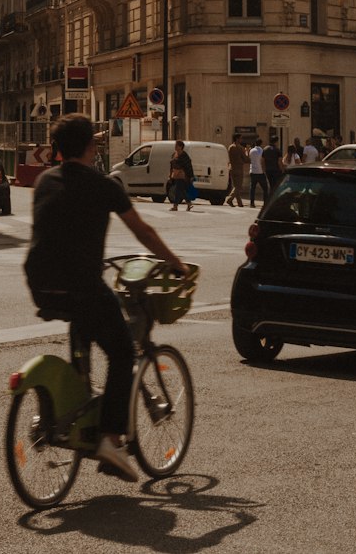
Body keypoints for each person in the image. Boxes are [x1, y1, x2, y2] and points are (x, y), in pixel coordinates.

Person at [25, 113, 188, 483]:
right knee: (121, 352)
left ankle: (76, 406)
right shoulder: (104, 186)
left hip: (40, 283)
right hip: (81, 284)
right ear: (89, 147)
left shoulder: (44, 181)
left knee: (84, 325)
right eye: (95, 142)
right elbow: (142, 231)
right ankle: (111, 440)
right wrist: (174, 262)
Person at [168, 139, 195, 211]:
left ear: (181, 147)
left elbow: (189, 165)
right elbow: (171, 165)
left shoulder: (184, 155)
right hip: (176, 174)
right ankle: (189, 203)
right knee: (181, 190)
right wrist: (170, 175)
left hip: (183, 175)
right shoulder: (174, 154)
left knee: (178, 190)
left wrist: (191, 176)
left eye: (177, 145)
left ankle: (175, 206)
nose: (175, 146)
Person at [225, 138, 246, 206]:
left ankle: (239, 203)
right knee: (238, 186)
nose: (241, 140)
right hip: (238, 168)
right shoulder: (240, 148)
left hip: (232, 168)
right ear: (237, 139)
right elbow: (245, 159)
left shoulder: (230, 147)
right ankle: (229, 199)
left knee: (235, 186)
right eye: (240, 138)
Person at [248, 139, 268, 207]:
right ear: (261, 143)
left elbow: (250, 159)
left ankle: (252, 203)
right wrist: (264, 170)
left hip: (253, 171)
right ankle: (265, 203)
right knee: (265, 188)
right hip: (260, 172)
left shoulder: (251, 150)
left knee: (252, 188)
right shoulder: (261, 150)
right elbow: (263, 161)